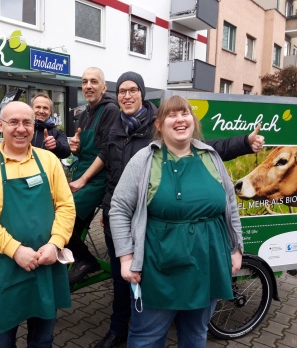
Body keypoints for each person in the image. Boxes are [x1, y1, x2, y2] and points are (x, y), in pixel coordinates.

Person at [97, 71, 265, 348]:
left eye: (184, 113)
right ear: (160, 124)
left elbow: (230, 206)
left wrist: (236, 249)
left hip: (208, 260)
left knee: (196, 334)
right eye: (172, 115)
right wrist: (126, 257)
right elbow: (119, 209)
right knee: (147, 337)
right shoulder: (145, 159)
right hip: (158, 264)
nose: (180, 119)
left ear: (192, 120)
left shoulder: (210, 157)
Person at [0, 101, 75, 347]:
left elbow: (66, 206)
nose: (21, 129)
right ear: (1, 126)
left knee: (43, 337)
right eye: (13, 122)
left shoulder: (49, 161)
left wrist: (55, 244)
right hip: (7, 265)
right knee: (3, 338)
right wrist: (15, 250)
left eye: (27, 122)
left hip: (47, 261)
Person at [66, 67, 119, 285]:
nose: (88, 86)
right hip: (83, 173)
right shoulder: (84, 113)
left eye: (94, 82)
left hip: (98, 179)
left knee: (61, 217)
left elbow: (107, 152)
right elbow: (83, 149)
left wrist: (83, 179)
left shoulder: (110, 111)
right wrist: (75, 148)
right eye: (85, 82)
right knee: (70, 223)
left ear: (104, 87)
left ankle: (86, 260)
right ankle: (71, 260)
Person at [31, 93, 71, 159]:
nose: (41, 111)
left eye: (45, 108)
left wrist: (55, 146)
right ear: (31, 109)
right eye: (38, 107)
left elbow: (66, 152)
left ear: (50, 111)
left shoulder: (58, 133)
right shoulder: (23, 129)